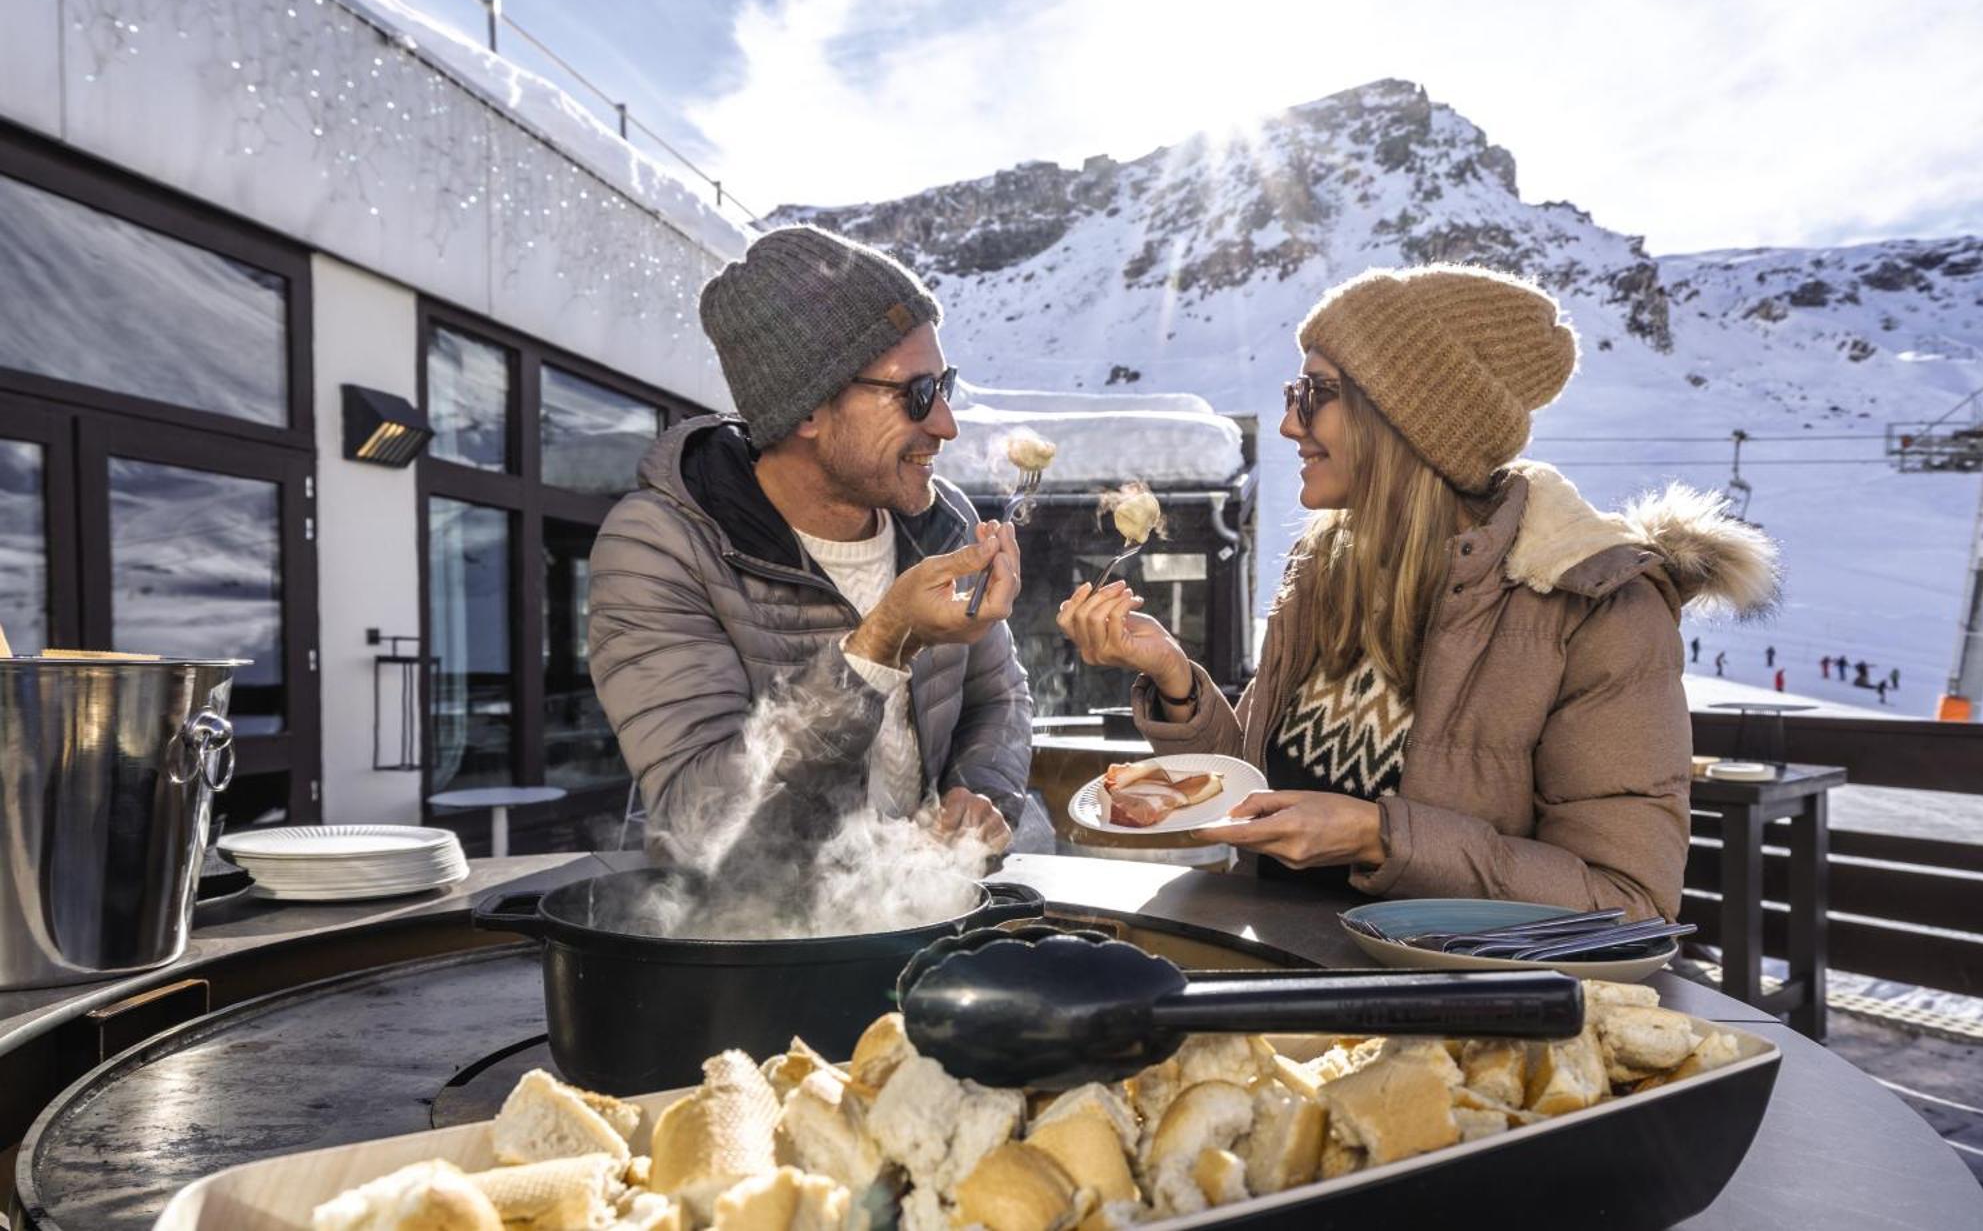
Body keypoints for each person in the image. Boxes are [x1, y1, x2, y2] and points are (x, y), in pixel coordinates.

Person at [1057, 265, 1778, 919]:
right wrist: (1175, 679)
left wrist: (1381, 839)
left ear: (1406, 419)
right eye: (1291, 393)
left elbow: (1629, 900)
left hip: (1461, 1032)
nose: (1287, 423)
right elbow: (1258, 793)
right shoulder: (1327, 569)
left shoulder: (1592, 609)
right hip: (1290, 986)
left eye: (1315, 394)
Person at [589, 226, 1041, 866]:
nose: (946, 424)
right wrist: (880, 644)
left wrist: (976, 794)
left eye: (946, 386)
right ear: (805, 410)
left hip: (923, 918)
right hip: (754, 946)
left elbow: (1001, 697)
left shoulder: (943, 520)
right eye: (916, 394)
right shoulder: (660, 548)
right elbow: (702, 819)